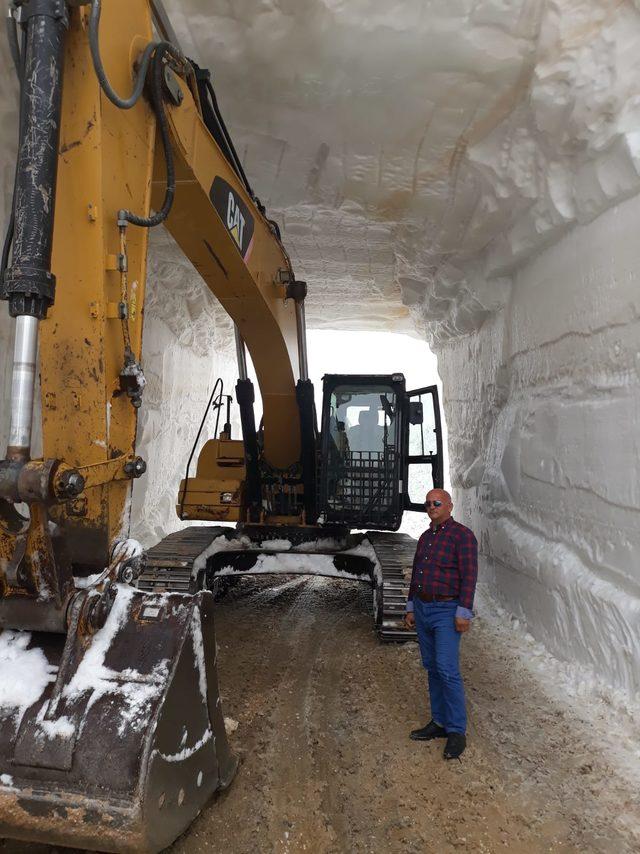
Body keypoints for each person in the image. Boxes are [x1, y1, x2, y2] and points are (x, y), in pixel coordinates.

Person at [404, 488, 477, 760]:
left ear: (449, 505)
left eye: (436, 503)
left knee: (447, 669)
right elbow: (417, 575)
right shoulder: (425, 538)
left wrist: (464, 611)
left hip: (446, 610)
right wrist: (411, 606)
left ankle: (456, 730)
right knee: (433, 668)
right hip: (423, 608)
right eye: (427, 504)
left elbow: (469, 576)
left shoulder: (462, 536)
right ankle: (439, 722)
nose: (431, 507)